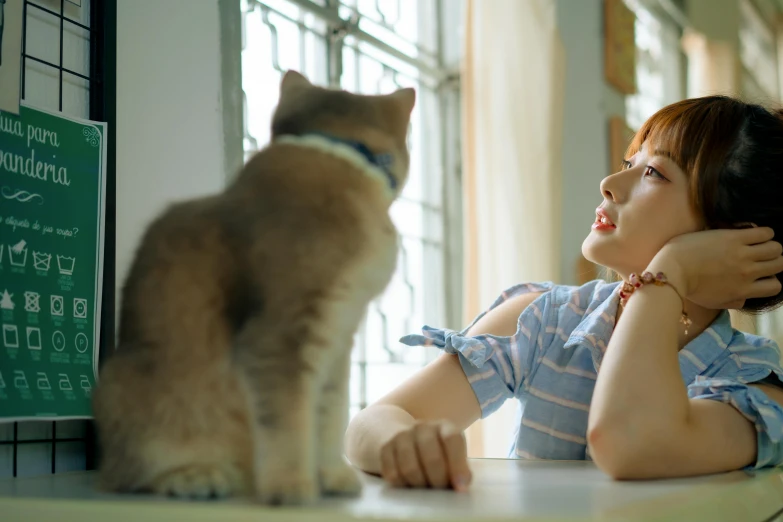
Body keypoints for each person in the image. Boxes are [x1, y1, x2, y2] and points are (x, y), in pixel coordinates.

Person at [344, 96, 783, 490]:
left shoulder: (754, 382)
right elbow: (369, 425)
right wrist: (404, 443)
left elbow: (630, 444)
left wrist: (667, 275)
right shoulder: (547, 317)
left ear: (739, 244)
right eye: (630, 163)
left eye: (653, 172)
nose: (610, 182)